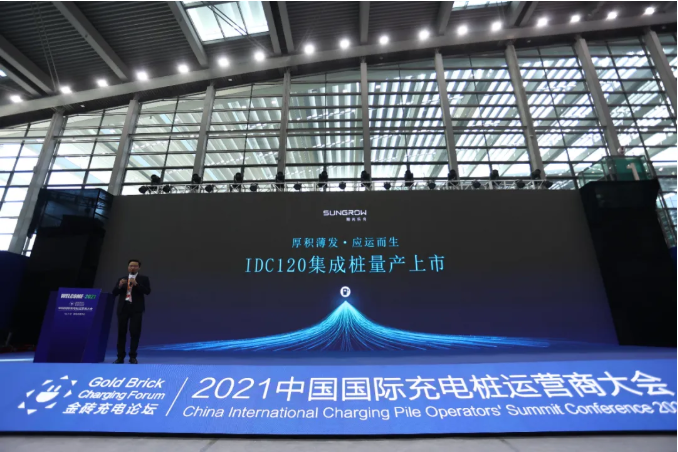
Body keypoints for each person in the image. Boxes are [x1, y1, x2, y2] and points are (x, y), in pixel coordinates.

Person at [112, 259, 151, 364]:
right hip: (123, 308)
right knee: (121, 333)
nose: (132, 267)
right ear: (128, 267)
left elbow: (147, 291)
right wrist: (119, 285)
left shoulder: (143, 279)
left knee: (135, 333)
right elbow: (114, 293)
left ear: (139, 267)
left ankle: (133, 356)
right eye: (131, 266)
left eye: (135, 266)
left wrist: (137, 284)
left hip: (136, 309)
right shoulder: (122, 279)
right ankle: (120, 357)